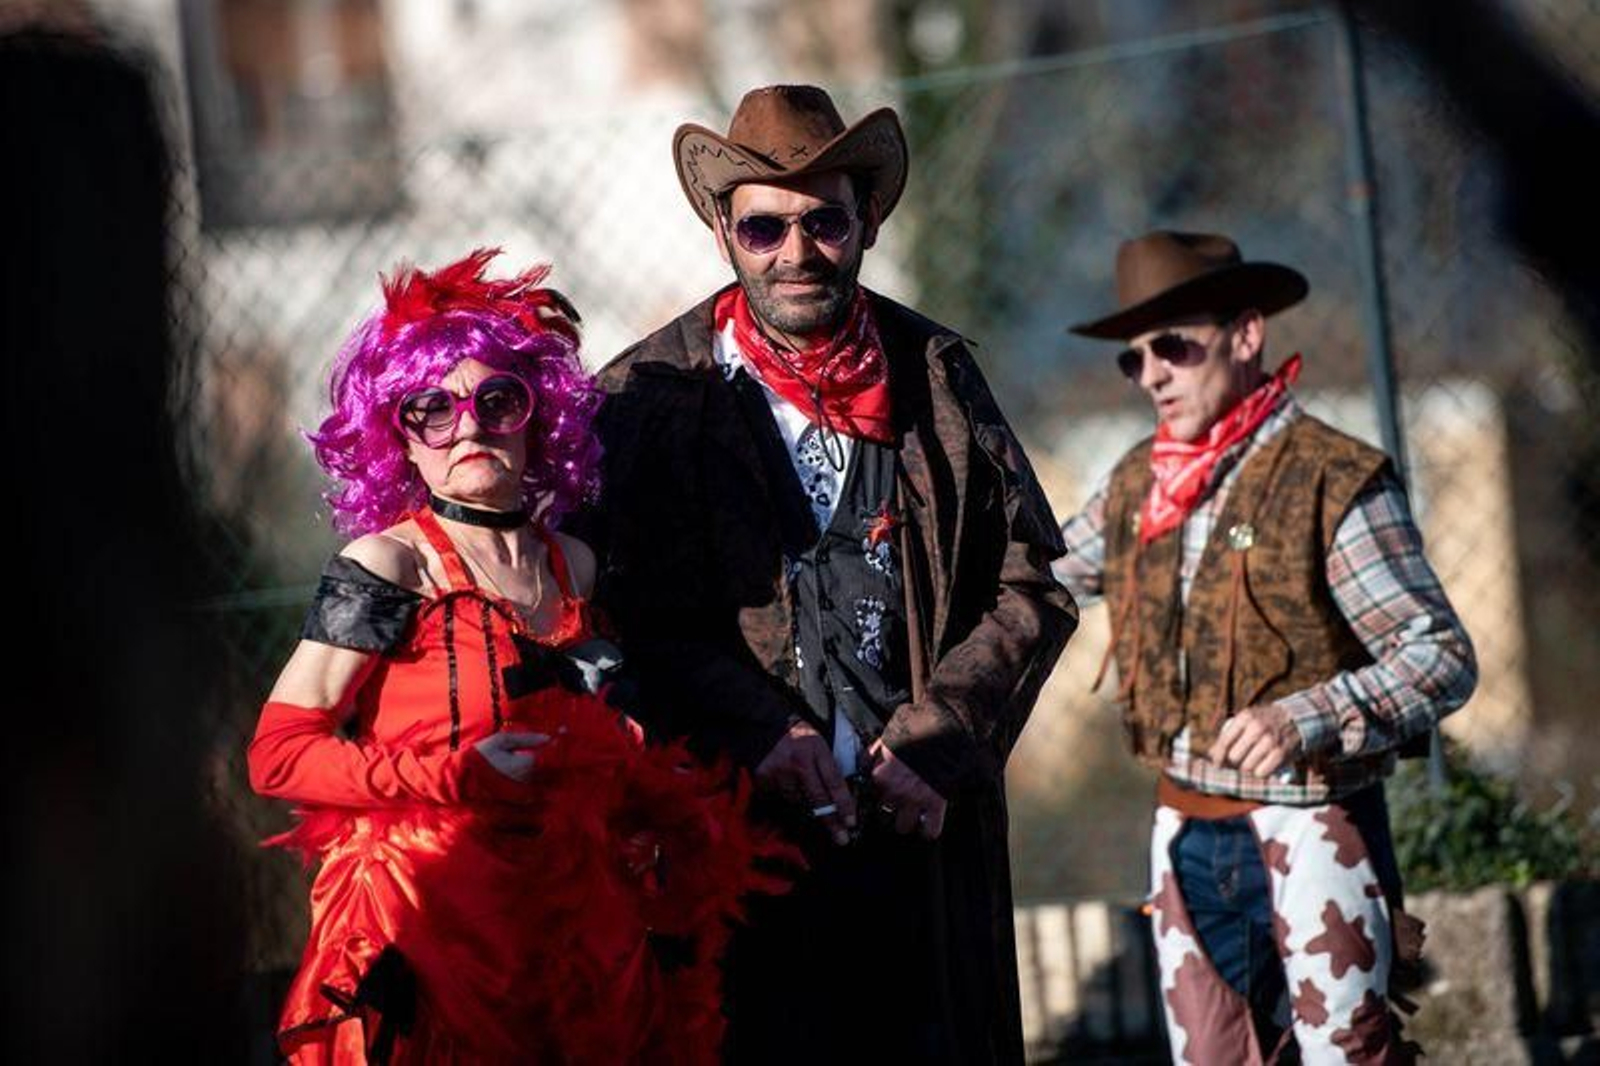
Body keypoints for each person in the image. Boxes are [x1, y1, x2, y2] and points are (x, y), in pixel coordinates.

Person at [587, 85, 1078, 1065]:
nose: (796, 251)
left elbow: (1033, 581)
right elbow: (622, 621)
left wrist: (943, 737)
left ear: (868, 224)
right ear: (724, 233)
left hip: (919, 837)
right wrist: (759, 731)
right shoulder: (646, 400)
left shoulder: (934, 374)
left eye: (825, 220)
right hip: (731, 844)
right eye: (764, 227)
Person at [247, 249, 782, 1063]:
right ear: (401, 437)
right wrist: (451, 775)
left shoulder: (575, 563)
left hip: (579, 927)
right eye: (432, 409)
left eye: (497, 400)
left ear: (540, 418)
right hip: (436, 933)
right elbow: (279, 757)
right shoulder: (388, 565)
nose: (467, 426)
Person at [1054, 230, 1478, 1064]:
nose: (1153, 375)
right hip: (1182, 831)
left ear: (1247, 336)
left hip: (1315, 827)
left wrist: (1307, 716)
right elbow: (1040, 582)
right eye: (1133, 360)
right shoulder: (1136, 481)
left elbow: (1440, 653)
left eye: (1173, 346)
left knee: (1345, 1056)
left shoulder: (1331, 476)